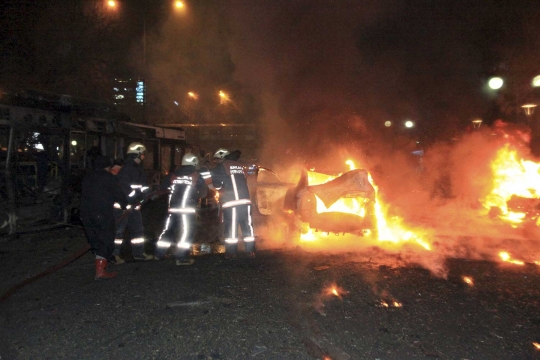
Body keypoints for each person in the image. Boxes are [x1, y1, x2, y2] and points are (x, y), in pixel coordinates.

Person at [154, 153, 208, 265]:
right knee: (187, 233)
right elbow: (204, 193)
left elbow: (162, 188)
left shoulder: (173, 175)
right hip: (187, 210)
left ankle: (159, 254)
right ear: (194, 162)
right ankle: (181, 257)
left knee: (168, 231)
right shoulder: (196, 176)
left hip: (173, 209)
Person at [80, 156, 128, 279]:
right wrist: (125, 205)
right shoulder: (109, 178)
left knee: (94, 238)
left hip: (85, 213)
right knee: (106, 238)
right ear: (108, 166)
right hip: (101, 213)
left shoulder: (87, 177)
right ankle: (100, 271)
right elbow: (119, 194)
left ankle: (100, 263)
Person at [211, 148, 256, 259]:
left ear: (222, 157)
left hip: (232, 203)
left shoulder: (221, 167)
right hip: (245, 202)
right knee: (247, 226)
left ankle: (231, 252)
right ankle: (250, 251)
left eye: (217, 159)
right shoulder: (239, 165)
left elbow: (217, 185)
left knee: (231, 228)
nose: (217, 162)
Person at [113, 142, 154, 263]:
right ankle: (114, 255)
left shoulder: (138, 169)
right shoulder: (127, 169)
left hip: (134, 206)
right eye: (142, 154)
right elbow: (125, 189)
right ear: (137, 154)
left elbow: (142, 186)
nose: (144, 157)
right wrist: (136, 197)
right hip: (123, 206)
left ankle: (139, 253)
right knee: (118, 232)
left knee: (138, 230)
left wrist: (148, 194)